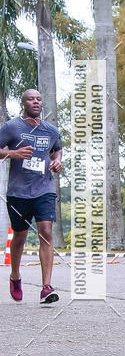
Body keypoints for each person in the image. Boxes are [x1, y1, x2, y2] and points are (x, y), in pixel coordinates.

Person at [0, 89, 63, 304]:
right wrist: (12, 154)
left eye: (38, 99)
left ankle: (46, 287)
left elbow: (57, 150)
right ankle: (15, 276)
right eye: (30, 99)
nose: (35, 102)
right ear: (23, 102)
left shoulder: (51, 130)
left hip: (44, 189)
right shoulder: (12, 127)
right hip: (18, 192)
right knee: (20, 235)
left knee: (46, 231)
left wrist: (57, 161)